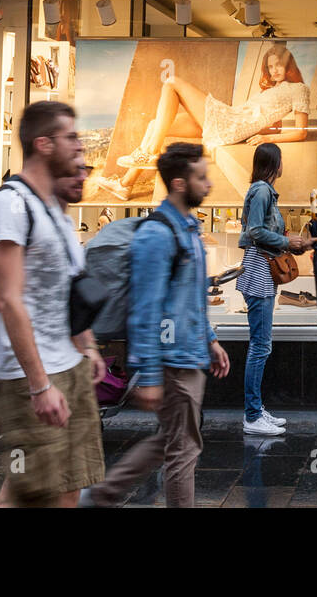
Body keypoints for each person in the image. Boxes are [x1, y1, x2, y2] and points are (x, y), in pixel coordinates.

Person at [83, 143, 231, 508]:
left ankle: (101, 495)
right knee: (182, 449)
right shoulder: (157, 235)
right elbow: (146, 309)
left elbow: (190, 296)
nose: (208, 184)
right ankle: (102, 495)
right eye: (201, 178)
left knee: (173, 442)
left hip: (191, 354)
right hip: (172, 361)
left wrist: (210, 340)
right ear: (179, 183)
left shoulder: (187, 228)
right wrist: (148, 376)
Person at [0, 101, 105, 508]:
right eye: (70, 138)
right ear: (44, 144)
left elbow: (64, 293)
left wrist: (87, 345)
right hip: (32, 375)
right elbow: (9, 301)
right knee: (31, 493)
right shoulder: (9, 206)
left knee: (68, 485)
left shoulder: (54, 210)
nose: (79, 147)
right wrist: (36, 387)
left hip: (67, 367)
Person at [98, 43, 310, 199]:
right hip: (232, 118)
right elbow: (264, 114)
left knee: (171, 82)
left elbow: (301, 132)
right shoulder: (273, 88)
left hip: (232, 124)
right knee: (155, 124)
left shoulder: (299, 89)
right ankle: (126, 185)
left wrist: (267, 137)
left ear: (289, 64)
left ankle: (148, 153)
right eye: (270, 66)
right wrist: (267, 125)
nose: (274, 70)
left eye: (278, 65)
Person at [239, 142, 314, 436]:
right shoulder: (261, 191)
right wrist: (287, 242)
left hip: (261, 271)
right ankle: (252, 415)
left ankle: (256, 409)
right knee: (260, 346)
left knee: (261, 345)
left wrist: (287, 240)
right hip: (258, 271)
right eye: (281, 160)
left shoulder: (263, 191)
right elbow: (255, 231)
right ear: (275, 163)